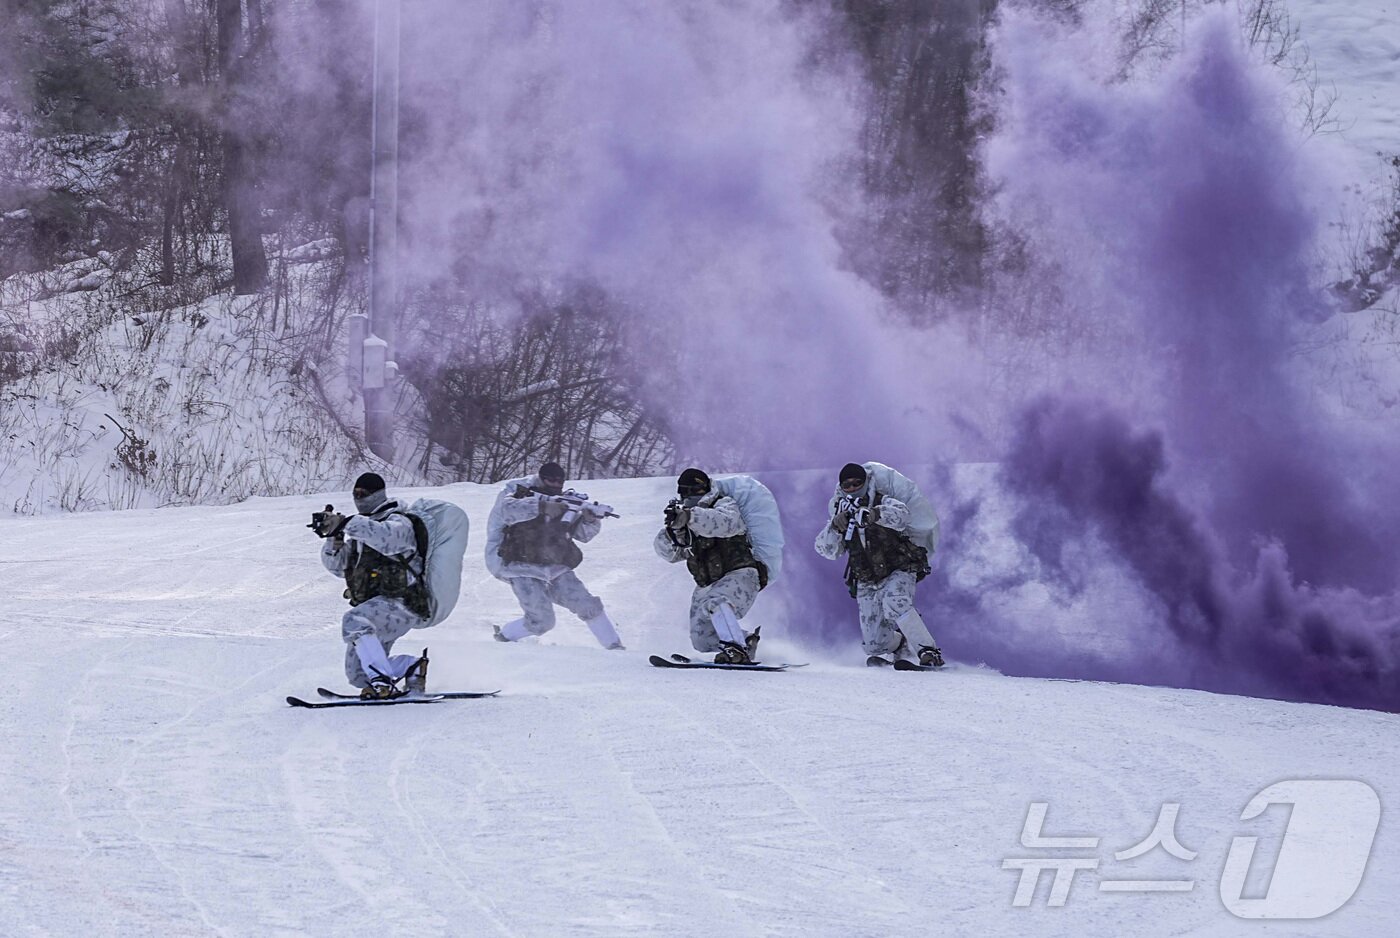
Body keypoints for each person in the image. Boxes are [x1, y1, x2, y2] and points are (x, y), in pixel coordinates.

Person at [310, 472, 431, 699]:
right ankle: (411, 667)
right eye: (355, 494)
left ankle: (382, 682)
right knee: (357, 676)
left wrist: (347, 523)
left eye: (364, 494)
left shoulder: (398, 520)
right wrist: (333, 539)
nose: (359, 498)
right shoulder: (360, 530)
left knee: (353, 620)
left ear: (379, 494)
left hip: (403, 604)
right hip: (376, 607)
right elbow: (338, 568)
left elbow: (387, 540)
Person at [814, 462, 944, 667]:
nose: (853, 488)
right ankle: (899, 644)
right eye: (847, 485)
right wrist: (834, 528)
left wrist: (876, 514)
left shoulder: (882, 500)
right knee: (874, 644)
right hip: (867, 578)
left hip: (898, 567)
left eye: (857, 483)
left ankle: (928, 651)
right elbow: (826, 551)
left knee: (896, 602)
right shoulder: (839, 511)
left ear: (866, 482)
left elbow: (903, 515)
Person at [486, 461, 623, 649]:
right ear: (540, 478)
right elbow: (505, 511)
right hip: (518, 563)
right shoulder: (517, 491)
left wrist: (589, 520)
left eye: (560, 480)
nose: (555, 484)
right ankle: (504, 637)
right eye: (550, 479)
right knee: (542, 621)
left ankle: (615, 646)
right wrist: (541, 506)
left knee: (588, 605)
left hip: (554, 562)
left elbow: (582, 535)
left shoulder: (567, 499)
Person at [654, 467, 767, 664]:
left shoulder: (724, 504)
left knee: (716, 601)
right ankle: (746, 641)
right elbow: (669, 554)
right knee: (701, 638)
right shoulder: (683, 516)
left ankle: (737, 651)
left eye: (697, 491)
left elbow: (725, 524)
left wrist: (691, 517)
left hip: (740, 575)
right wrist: (674, 532)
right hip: (708, 584)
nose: (692, 496)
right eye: (687, 492)